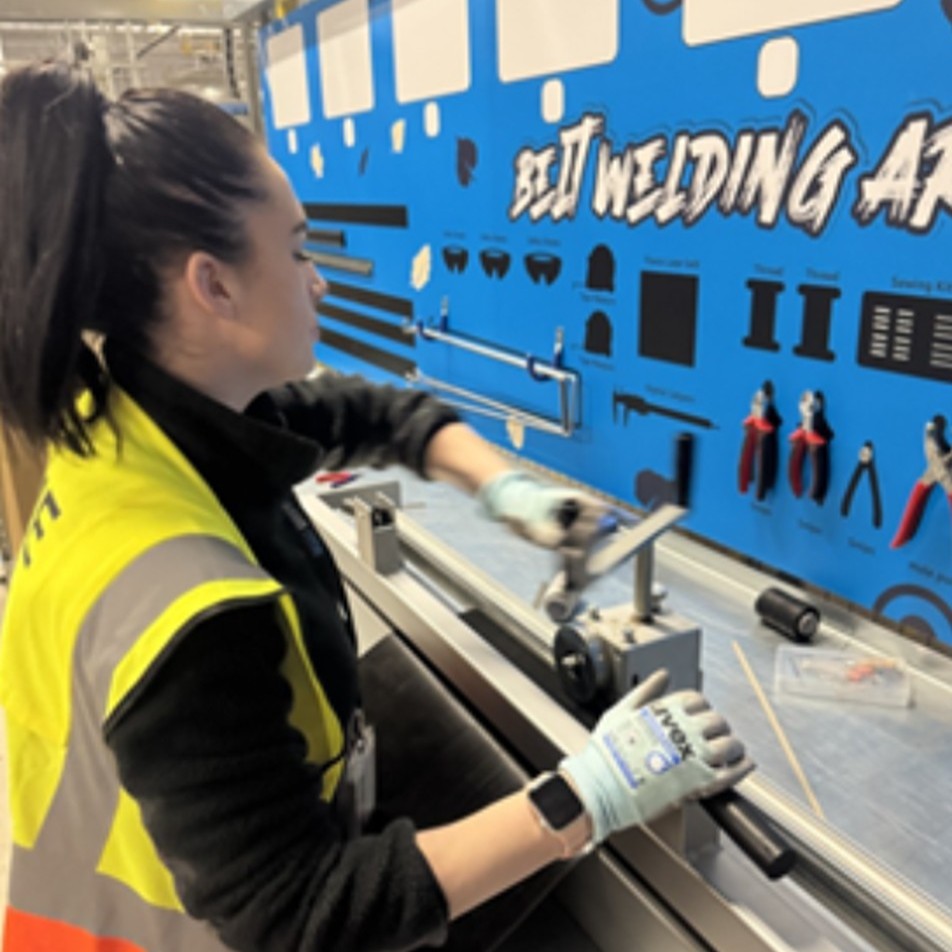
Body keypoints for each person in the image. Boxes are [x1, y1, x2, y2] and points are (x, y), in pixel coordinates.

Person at [0, 61, 753, 952]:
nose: (316, 280)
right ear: (214, 285)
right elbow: (300, 913)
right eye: (298, 247)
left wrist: (507, 490)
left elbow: (374, 415)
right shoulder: (180, 606)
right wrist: (588, 794)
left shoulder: (134, 414)